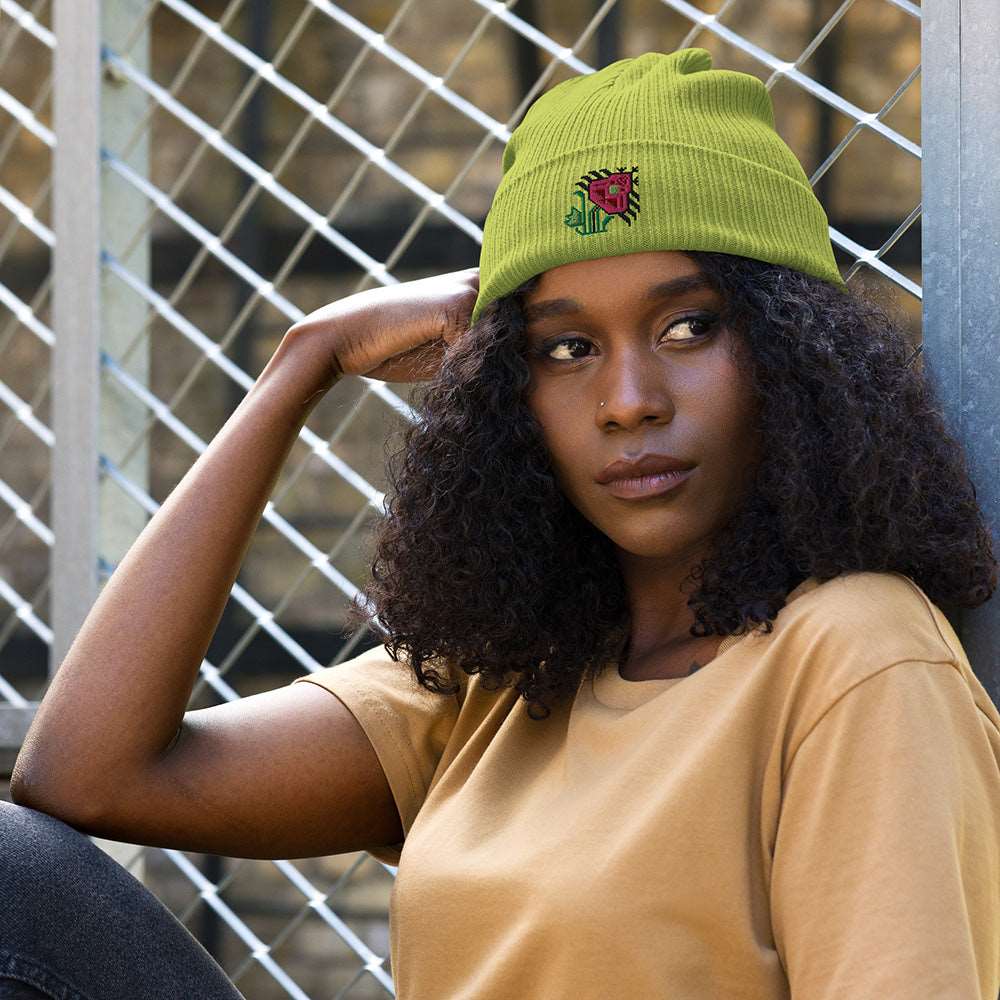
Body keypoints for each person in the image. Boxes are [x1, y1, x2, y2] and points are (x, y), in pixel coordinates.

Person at [3, 47, 999, 1000]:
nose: (627, 400)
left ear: (799, 351)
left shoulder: (854, 654)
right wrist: (301, 365)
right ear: (507, 398)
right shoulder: (507, 679)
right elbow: (88, 777)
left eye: (688, 325)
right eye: (565, 346)